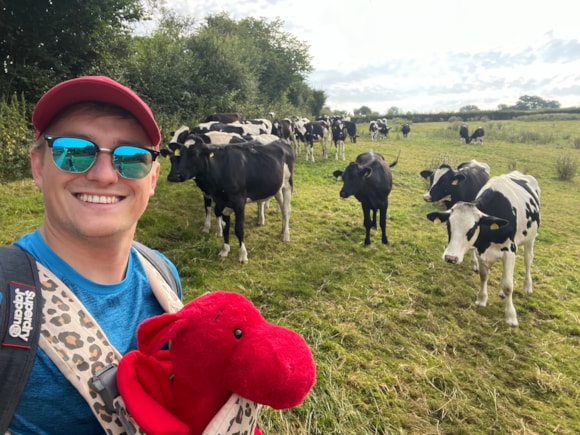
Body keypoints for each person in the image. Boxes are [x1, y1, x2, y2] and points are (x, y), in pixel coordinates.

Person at [6, 76, 182, 434]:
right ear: (39, 167)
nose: (103, 175)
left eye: (131, 158)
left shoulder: (162, 275)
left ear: (152, 179)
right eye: (74, 151)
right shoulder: (4, 295)